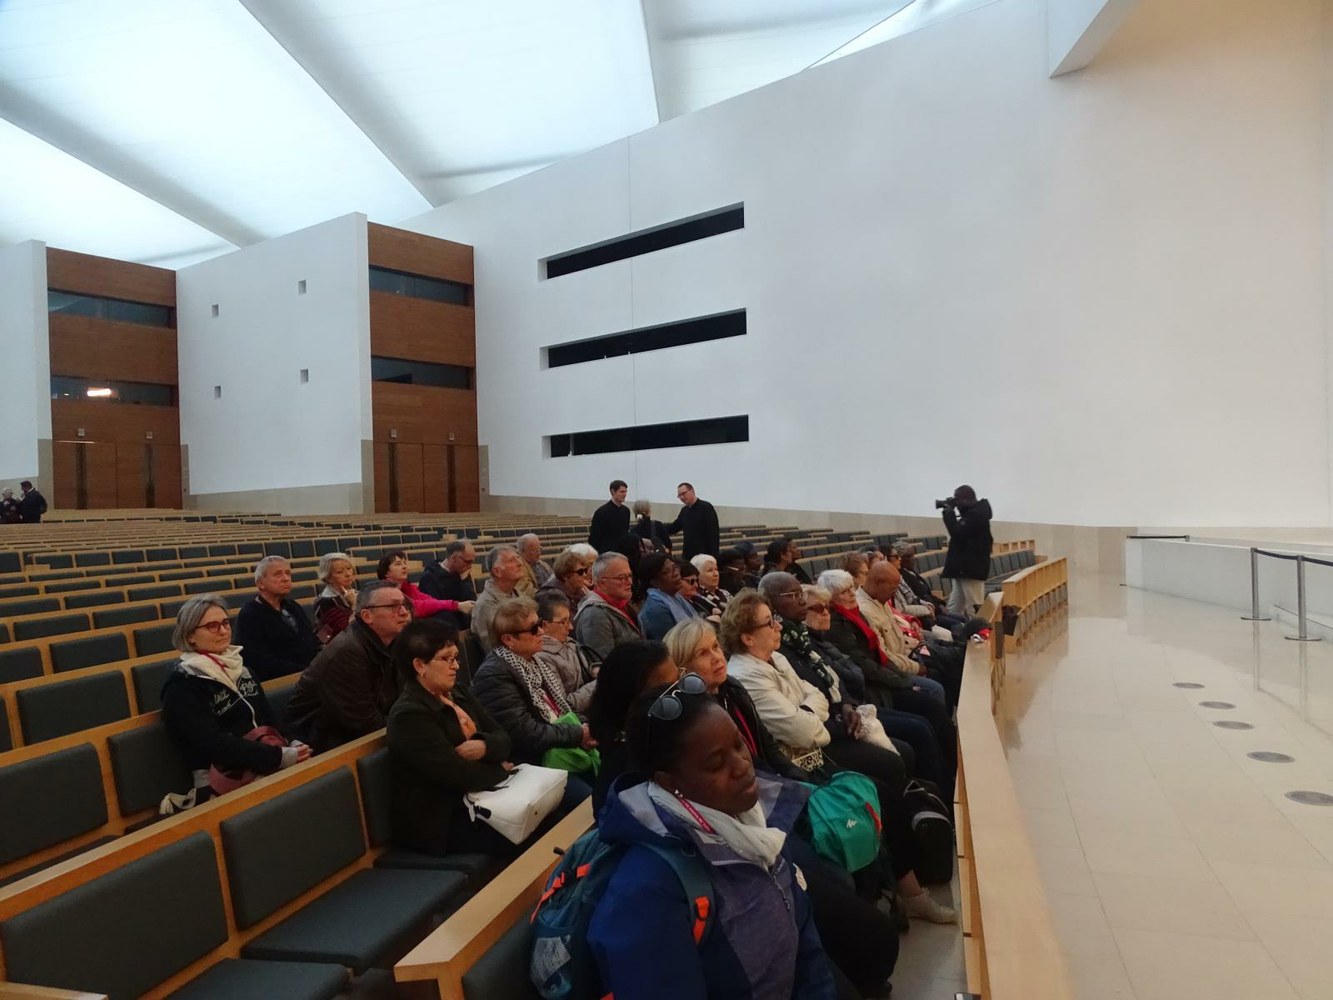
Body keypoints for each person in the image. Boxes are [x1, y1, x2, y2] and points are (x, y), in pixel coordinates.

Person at [664, 618, 907, 993]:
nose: (716, 657)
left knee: (858, 806)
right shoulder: (689, 719)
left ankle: (882, 918)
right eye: (702, 653)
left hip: (777, 788)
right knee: (832, 873)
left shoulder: (733, 690)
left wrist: (801, 783)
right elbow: (739, 777)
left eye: (715, 647)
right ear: (682, 668)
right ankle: (855, 957)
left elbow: (767, 751)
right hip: (748, 814)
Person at [721, 587, 957, 925]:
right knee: (881, 787)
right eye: (768, 622)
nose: (777, 626)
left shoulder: (776, 658)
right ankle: (902, 891)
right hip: (799, 765)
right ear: (746, 637)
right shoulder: (746, 676)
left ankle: (908, 885)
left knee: (888, 784)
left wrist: (809, 711)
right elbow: (802, 731)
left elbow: (816, 693)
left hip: (816, 749)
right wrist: (812, 715)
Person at [589, 691, 838, 1000]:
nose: (742, 765)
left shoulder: (758, 823)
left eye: (738, 744)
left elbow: (805, 942)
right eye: (716, 763)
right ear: (669, 782)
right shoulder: (647, 892)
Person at [818, 569, 957, 806]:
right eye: (844, 592)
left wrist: (903, 678)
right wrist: (903, 681)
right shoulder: (836, 627)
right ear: (830, 599)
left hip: (879, 683)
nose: (852, 593)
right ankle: (943, 792)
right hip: (870, 694)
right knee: (922, 721)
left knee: (930, 704)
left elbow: (875, 658)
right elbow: (861, 668)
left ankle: (951, 772)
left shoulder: (853, 616)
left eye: (851, 588)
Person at [386, 618, 519, 858]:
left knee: (548, 812)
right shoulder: (410, 714)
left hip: (479, 799)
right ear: (419, 665)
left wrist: (484, 746)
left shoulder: (458, 692)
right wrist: (500, 769)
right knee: (526, 832)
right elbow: (457, 774)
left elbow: (503, 737)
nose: (456, 666)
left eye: (456, 657)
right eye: (446, 659)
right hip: (441, 821)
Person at [160, 595, 310, 803]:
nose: (223, 631)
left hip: (266, 758)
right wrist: (278, 757)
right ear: (190, 635)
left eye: (225, 623)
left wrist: (292, 741)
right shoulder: (183, 685)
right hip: (225, 777)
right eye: (212, 626)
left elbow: (269, 717)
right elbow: (213, 744)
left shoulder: (243, 670)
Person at [472, 597, 597, 804]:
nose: (541, 631)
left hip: (559, 745)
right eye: (533, 629)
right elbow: (523, 733)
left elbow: (562, 710)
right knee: (589, 801)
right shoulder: (494, 675)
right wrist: (578, 733)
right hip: (533, 761)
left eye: (539, 624)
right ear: (508, 639)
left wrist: (587, 728)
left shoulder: (534, 661)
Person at [285, 581, 411, 750]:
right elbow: (363, 722)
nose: (404, 612)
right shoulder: (347, 652)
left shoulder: (394, 641)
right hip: (323, 741)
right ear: (367, 616)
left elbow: (404, 695)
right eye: (393, 606)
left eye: (404, 605)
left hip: (366, 730)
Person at [585, 639, 680, 814]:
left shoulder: (669, 737)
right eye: (667, 692)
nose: (681, 695)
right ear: (630, 704)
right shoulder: (626, 785)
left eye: (679, 681)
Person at [233, 556, 322, 681]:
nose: (286, 578)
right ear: (260, 583)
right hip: (282, 679)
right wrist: (305, 670)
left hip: (309, 673)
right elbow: (259, 660)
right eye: (277, 574)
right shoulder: (250, 614)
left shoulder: (293, 606)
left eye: (288, 573)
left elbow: (310, 640)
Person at [533, 591, 599, 713]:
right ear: (544, 625)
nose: (570, 627)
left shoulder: (569, 642)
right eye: (563, 622)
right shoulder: (542, 658)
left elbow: (587, 670)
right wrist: (600, 682)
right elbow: (564, 706)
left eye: (569, 620)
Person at [573, 553, 642, 660]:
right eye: (622, 578)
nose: (629, 582)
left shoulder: (622, 603)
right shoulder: (595, 615)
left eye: (630, 576)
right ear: (602, 583)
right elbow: (603, 662)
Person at [377, 550, 476, 623]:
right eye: (398, 564)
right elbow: (415, 608)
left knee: (445, 614)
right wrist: (456, 605)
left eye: (405, 563)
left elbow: (429, 600)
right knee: (443, 618)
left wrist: (453, 605)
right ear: (386, 572)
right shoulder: (386, 592)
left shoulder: (409, 588)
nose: (404, 567)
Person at [941, 484, 993, 617]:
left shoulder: (976, 515)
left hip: (971, 569)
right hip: (963, 569)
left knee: (974, 608)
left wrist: (949, 513)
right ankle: (952, 627)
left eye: (957, 500)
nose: (956, 504)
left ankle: (979, 630)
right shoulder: (973, 514)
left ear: (966, 499)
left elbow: (957, 532)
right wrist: (950, 511)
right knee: (954, 607)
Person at [637, 551, 699, 641]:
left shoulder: (676, 596)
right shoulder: (656, 609)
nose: (676, 573)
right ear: (654, 582)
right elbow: (669, 644)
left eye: (675, 568)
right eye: (667, 571)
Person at [472, 545, 524, 652]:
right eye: (512, 560)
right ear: (497, 572)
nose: (520, 563)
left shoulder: (518, 595)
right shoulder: (486, 605)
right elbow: (495, 649)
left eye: (518, 558)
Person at [418, 540, 478, 628]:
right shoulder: (429, 578)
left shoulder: (462, 573)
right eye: (468, 562)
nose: (470, 566)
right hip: (444, 627)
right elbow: (435, 610)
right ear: (453, 558)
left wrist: (464, 581)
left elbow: (471, 602)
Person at [666, 482, 720, 560]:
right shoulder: (684, 510)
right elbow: (674, 527)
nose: (682, 497)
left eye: (683, 493)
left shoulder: (706, 507)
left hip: (704, 557)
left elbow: (713, 534)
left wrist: (713, 557)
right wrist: (657, 526)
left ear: (692, 491)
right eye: (679, 495)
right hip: (688, 557)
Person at [312, 551, 358, 643]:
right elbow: (348, 631)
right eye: (340, 572)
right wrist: (355, 605)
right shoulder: (325, 602)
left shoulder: (354, 592)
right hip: (339, 646)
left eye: (349, 568)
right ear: (328, 578)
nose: (348, 574)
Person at [588, 479, 631, 554]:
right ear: (613, 492)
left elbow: (625, 533)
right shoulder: (602, 512)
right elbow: (594, 536)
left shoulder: (626, 511)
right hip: (606, 552)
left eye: (625, 492)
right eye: (621, 492)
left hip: (622, 552)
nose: (625, 494)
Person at [689, 553, 732, 618]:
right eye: (710, 570)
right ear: (697, 575)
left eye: (716, 569)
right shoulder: (697, 598)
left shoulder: (724, 592)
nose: (716, 574)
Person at [516, 532, 553, 597]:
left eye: (540, 549)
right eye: (534, 550)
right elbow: (528, 592)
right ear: (522, 551)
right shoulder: (518, 569)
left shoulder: (543, 564)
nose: (539, 553)